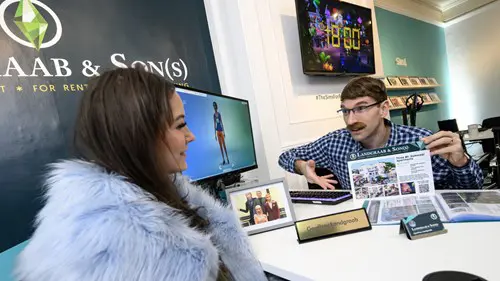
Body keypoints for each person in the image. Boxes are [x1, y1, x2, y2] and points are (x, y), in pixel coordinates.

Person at [14, 68, 267, 281]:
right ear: (140, 136)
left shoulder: (169, 195)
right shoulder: (108, 247)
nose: (191, 136)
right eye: (180, 125)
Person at [279, 77, 483, 190]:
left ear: (384, 109)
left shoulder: (421, 140)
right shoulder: (335, 143)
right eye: (345, 110)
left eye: (361, 108)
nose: (351, 121)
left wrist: (460, 162)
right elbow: (285, 157)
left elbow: (474, 191)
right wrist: (302, 167)